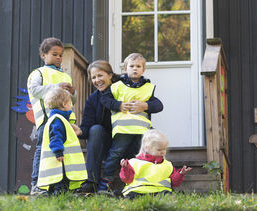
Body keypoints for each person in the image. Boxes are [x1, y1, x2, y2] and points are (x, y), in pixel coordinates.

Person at [98, 53, 164, 192]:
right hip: (123, 130)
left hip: (142, 131)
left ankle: (142, 181)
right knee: (116, 153)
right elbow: (105, 100)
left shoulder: (148, 87)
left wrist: (145, 105)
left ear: (143, 70)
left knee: (141, 155)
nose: (135, 69)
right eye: (131, 66)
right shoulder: (117, 86)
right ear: (125, 68)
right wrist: (119, 105)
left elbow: (159, 105)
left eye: (138, 66)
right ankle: (106, 182)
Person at [27, 37, 77, 196]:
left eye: (61, 55)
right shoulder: (38, 73)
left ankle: (60, 187)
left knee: (63, 153)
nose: (58, 58)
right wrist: (56, 87)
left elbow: (70, 101)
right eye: (54, 54)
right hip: (47, 121)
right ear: (43, 55)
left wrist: (72, 94)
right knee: (42, 151)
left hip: (65, 122)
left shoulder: (66, 77)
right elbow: (34, 90)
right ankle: (37, 185)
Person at [77, 60, 119, 193]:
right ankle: (92, 181)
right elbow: (86, 128)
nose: (97, 80)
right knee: (95, 129)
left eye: (100, 75)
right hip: (108, 145)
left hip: (127, 142)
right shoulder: (93, 99)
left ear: (110, 75)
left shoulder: (123, 90)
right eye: (93, 77)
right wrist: (78, 131)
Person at [37, 87, 87, 194]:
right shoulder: (58, 120)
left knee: (57, 183)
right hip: (61, 160)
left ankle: (54, 195)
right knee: (61, 183)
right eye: (70, 103)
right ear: (64, 104)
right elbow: (55, 137)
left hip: (59, 161)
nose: (72, 105)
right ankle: (60, 196)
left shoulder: (58, 119)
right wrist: (58, 151)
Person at [119, 129, 192, 199]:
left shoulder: (167, 165)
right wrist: (125, 168)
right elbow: (127, 179)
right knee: (132, 196)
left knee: (169, 196)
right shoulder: (134, 162)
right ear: (147, 148)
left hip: (161, 192)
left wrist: (180, 174)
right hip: (137, 191)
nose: (163, 152)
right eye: (159, 149)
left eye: (164, 149)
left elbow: (174, 183)